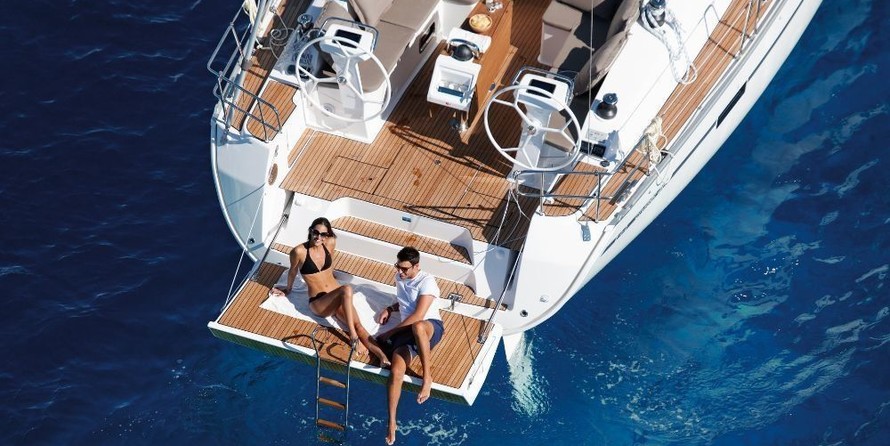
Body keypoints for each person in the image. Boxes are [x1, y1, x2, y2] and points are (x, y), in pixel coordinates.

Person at [271, 217, 388, 366]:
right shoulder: (299, 251)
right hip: (319, 303)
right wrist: (288, 289)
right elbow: (293, 271)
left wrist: (330, 275)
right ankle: (353, 337)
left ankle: (382, 357)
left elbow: (330, 261)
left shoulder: (330, 243)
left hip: (338, 296)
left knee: (359, 325)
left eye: (323, 234)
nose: (318, 237)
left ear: (328, 235)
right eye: (315, 232)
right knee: (347, 289)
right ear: (310, 231)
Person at [374, 247, 445, 445]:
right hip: (407, 332)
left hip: (430, 327)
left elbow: (418, 315)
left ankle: (427, 378)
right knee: (396, 370)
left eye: (404, 269)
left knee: (418, 326)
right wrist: (390, 308)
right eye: (398, 267)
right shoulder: (399, 277)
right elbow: (404, 302)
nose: (400, 272)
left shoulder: (427, 282)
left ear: (416, 266)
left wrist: (389, 333)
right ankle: (391, 422)